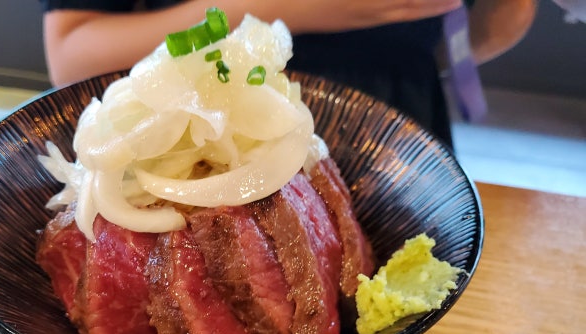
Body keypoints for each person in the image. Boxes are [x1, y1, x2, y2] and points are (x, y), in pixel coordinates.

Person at [38, 0, 535, 150]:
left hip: (402, 140)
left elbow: (456, 41)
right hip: (198, 146)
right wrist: (295, 8)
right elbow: (73, 54)